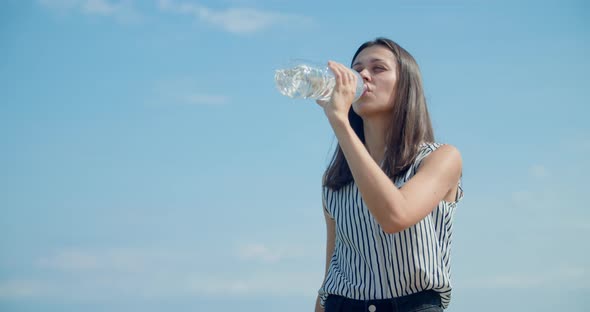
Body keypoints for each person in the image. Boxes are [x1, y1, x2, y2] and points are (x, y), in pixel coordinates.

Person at [313, 37, 464, 312]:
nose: (363, 76)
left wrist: (339, 121)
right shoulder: (335, 179)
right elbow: (332, 271)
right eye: (356, 69)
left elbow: (395, 216)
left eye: (378, 68)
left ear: (406, 86)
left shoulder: (439, 158)